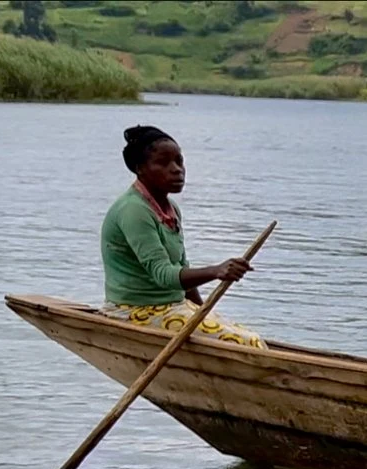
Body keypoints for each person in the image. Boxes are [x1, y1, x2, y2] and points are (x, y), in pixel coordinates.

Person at [102, 125, 262, 348]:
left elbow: (181, 266)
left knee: (251, 338)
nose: (177, 170)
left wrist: (201, 310)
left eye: (180, 161)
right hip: (135, 310)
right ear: (140, 168)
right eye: (163, 163)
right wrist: (217, 271)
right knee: (249, 343)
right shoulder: (133, 210)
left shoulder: (171, 209)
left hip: (172, 306)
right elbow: (163, 275)